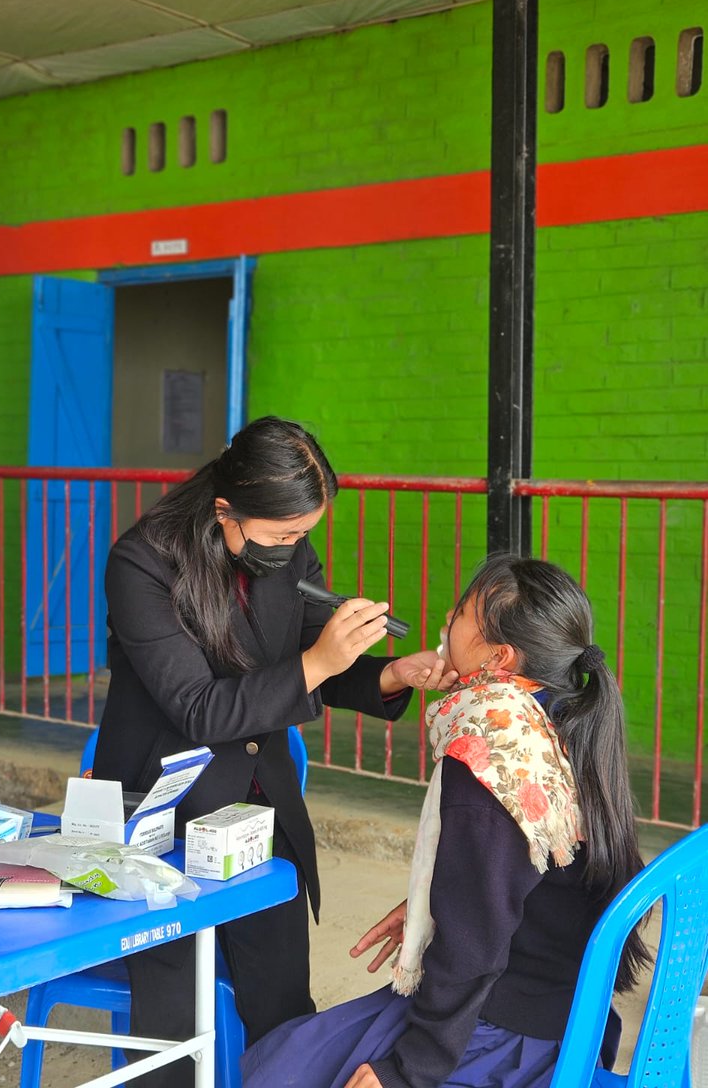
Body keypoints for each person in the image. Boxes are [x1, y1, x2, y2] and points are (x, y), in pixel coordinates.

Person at [93, 416, 456, 1088]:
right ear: (225, 510)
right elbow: (201, 709)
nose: (295, 548)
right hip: (161, 817)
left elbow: (317, 658)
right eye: (284, 534)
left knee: (282, 1005)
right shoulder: (142, 563)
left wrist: (391, 673)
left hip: (257, 806)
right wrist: (318, 661)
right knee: (169, 1017)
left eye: (304, 535)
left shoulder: (285, 553)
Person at [242, 554, 650, 1088]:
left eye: (460, 613)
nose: (446, 621)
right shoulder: (561, 716)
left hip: (505, 1033)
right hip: (567, 1011)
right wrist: (441, 897)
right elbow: (518, 878)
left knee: (274, 1069)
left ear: (498, 657)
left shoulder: (489, 754)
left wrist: (408, 1072)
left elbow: (471, 952)